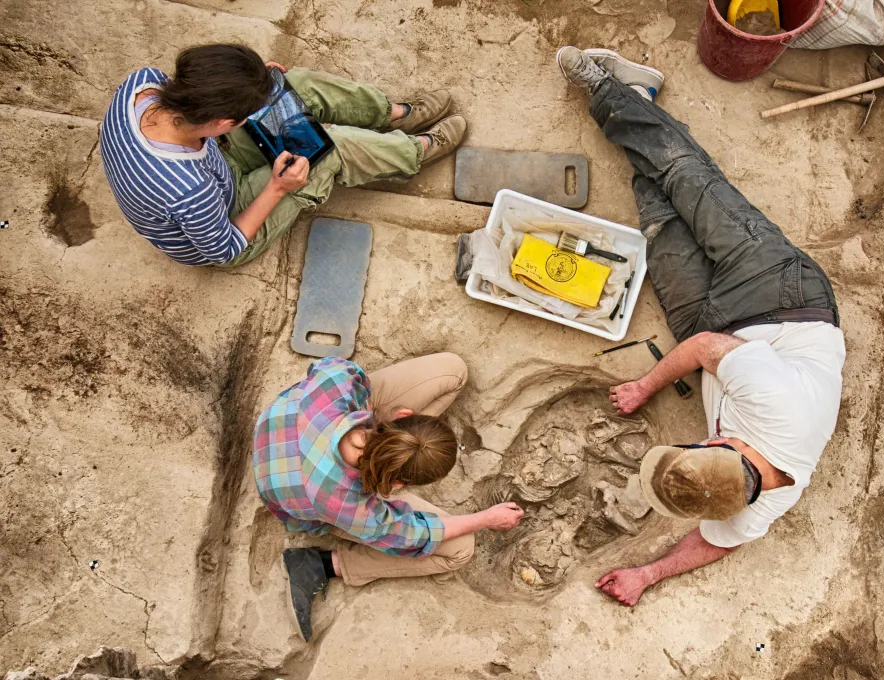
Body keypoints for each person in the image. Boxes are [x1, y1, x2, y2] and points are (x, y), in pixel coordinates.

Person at [554, 47, 847, 606]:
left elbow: (720, 542)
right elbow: (708, 348)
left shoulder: (759, 502)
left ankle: (639, 102)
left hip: (717, 335)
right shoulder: (775, 404)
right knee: (685, 178)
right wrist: (645, 386)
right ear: (714, 443)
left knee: (660, 222)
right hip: (779, 295)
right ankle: (605, 91)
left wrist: (647, 574)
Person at [100, 43, 466, 267]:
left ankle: (393, 113)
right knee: (325, 150)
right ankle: (414, 152)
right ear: (224, 121)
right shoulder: (187, 190)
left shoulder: (143, 84)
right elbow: (224, 248)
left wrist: (256, 82)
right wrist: (277, 187)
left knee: (294, 86)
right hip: (226, 222)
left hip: (214, 159)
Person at [252, 353, 524, 641]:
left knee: (454, 370)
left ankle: (402, 448)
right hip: (295, 494)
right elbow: (414, 536)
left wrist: (376, 423)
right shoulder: (350, 504)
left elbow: (331, 366)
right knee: (460, 549)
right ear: (396, 484)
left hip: (279, 425)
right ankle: (323, 564)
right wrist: (486, 518)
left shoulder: (338, 383)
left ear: (403, 416)